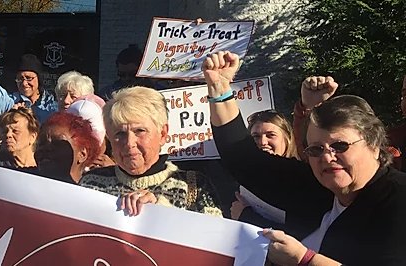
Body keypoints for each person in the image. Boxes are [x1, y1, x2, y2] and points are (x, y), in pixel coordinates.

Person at [206, 51, 406, 265]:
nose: (328, 157)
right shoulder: (321, 186)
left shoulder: (397, 200)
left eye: (340, 146)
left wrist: (305, 260)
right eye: (315, 149)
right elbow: (245, 161)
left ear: (374, 146)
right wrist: (220, 89)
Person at [79, 86, 223, 217]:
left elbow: (214, 238)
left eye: (139, 131)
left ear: (162, 134)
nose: (129, 143)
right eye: (120, 134)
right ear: (109, 137)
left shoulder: (194, 186)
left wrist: (159, 211)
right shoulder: (91, 183)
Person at [230, 109, 298, 227]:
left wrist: (245, 216)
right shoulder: (240, 178)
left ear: (287, 138)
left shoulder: (302, 177)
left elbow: (299, 231)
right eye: (256, 136)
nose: (262, 142)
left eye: (270, 135)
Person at [0, 35, 58, 123]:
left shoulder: (54, 106)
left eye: (29, 78)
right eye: (20, 79)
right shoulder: (10, 103)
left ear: (39, 79)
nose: (24, 83)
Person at [35, 112, 101, 184]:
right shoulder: (23, 179)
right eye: (41, 143)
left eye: (57, 143)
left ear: (82, 154)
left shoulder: (92, 192)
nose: (46, 148)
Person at [0, 107, 40, 171]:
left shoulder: (44, 167)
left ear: (32, 137)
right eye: (5, 131)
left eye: (15, 131)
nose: (8, 135)